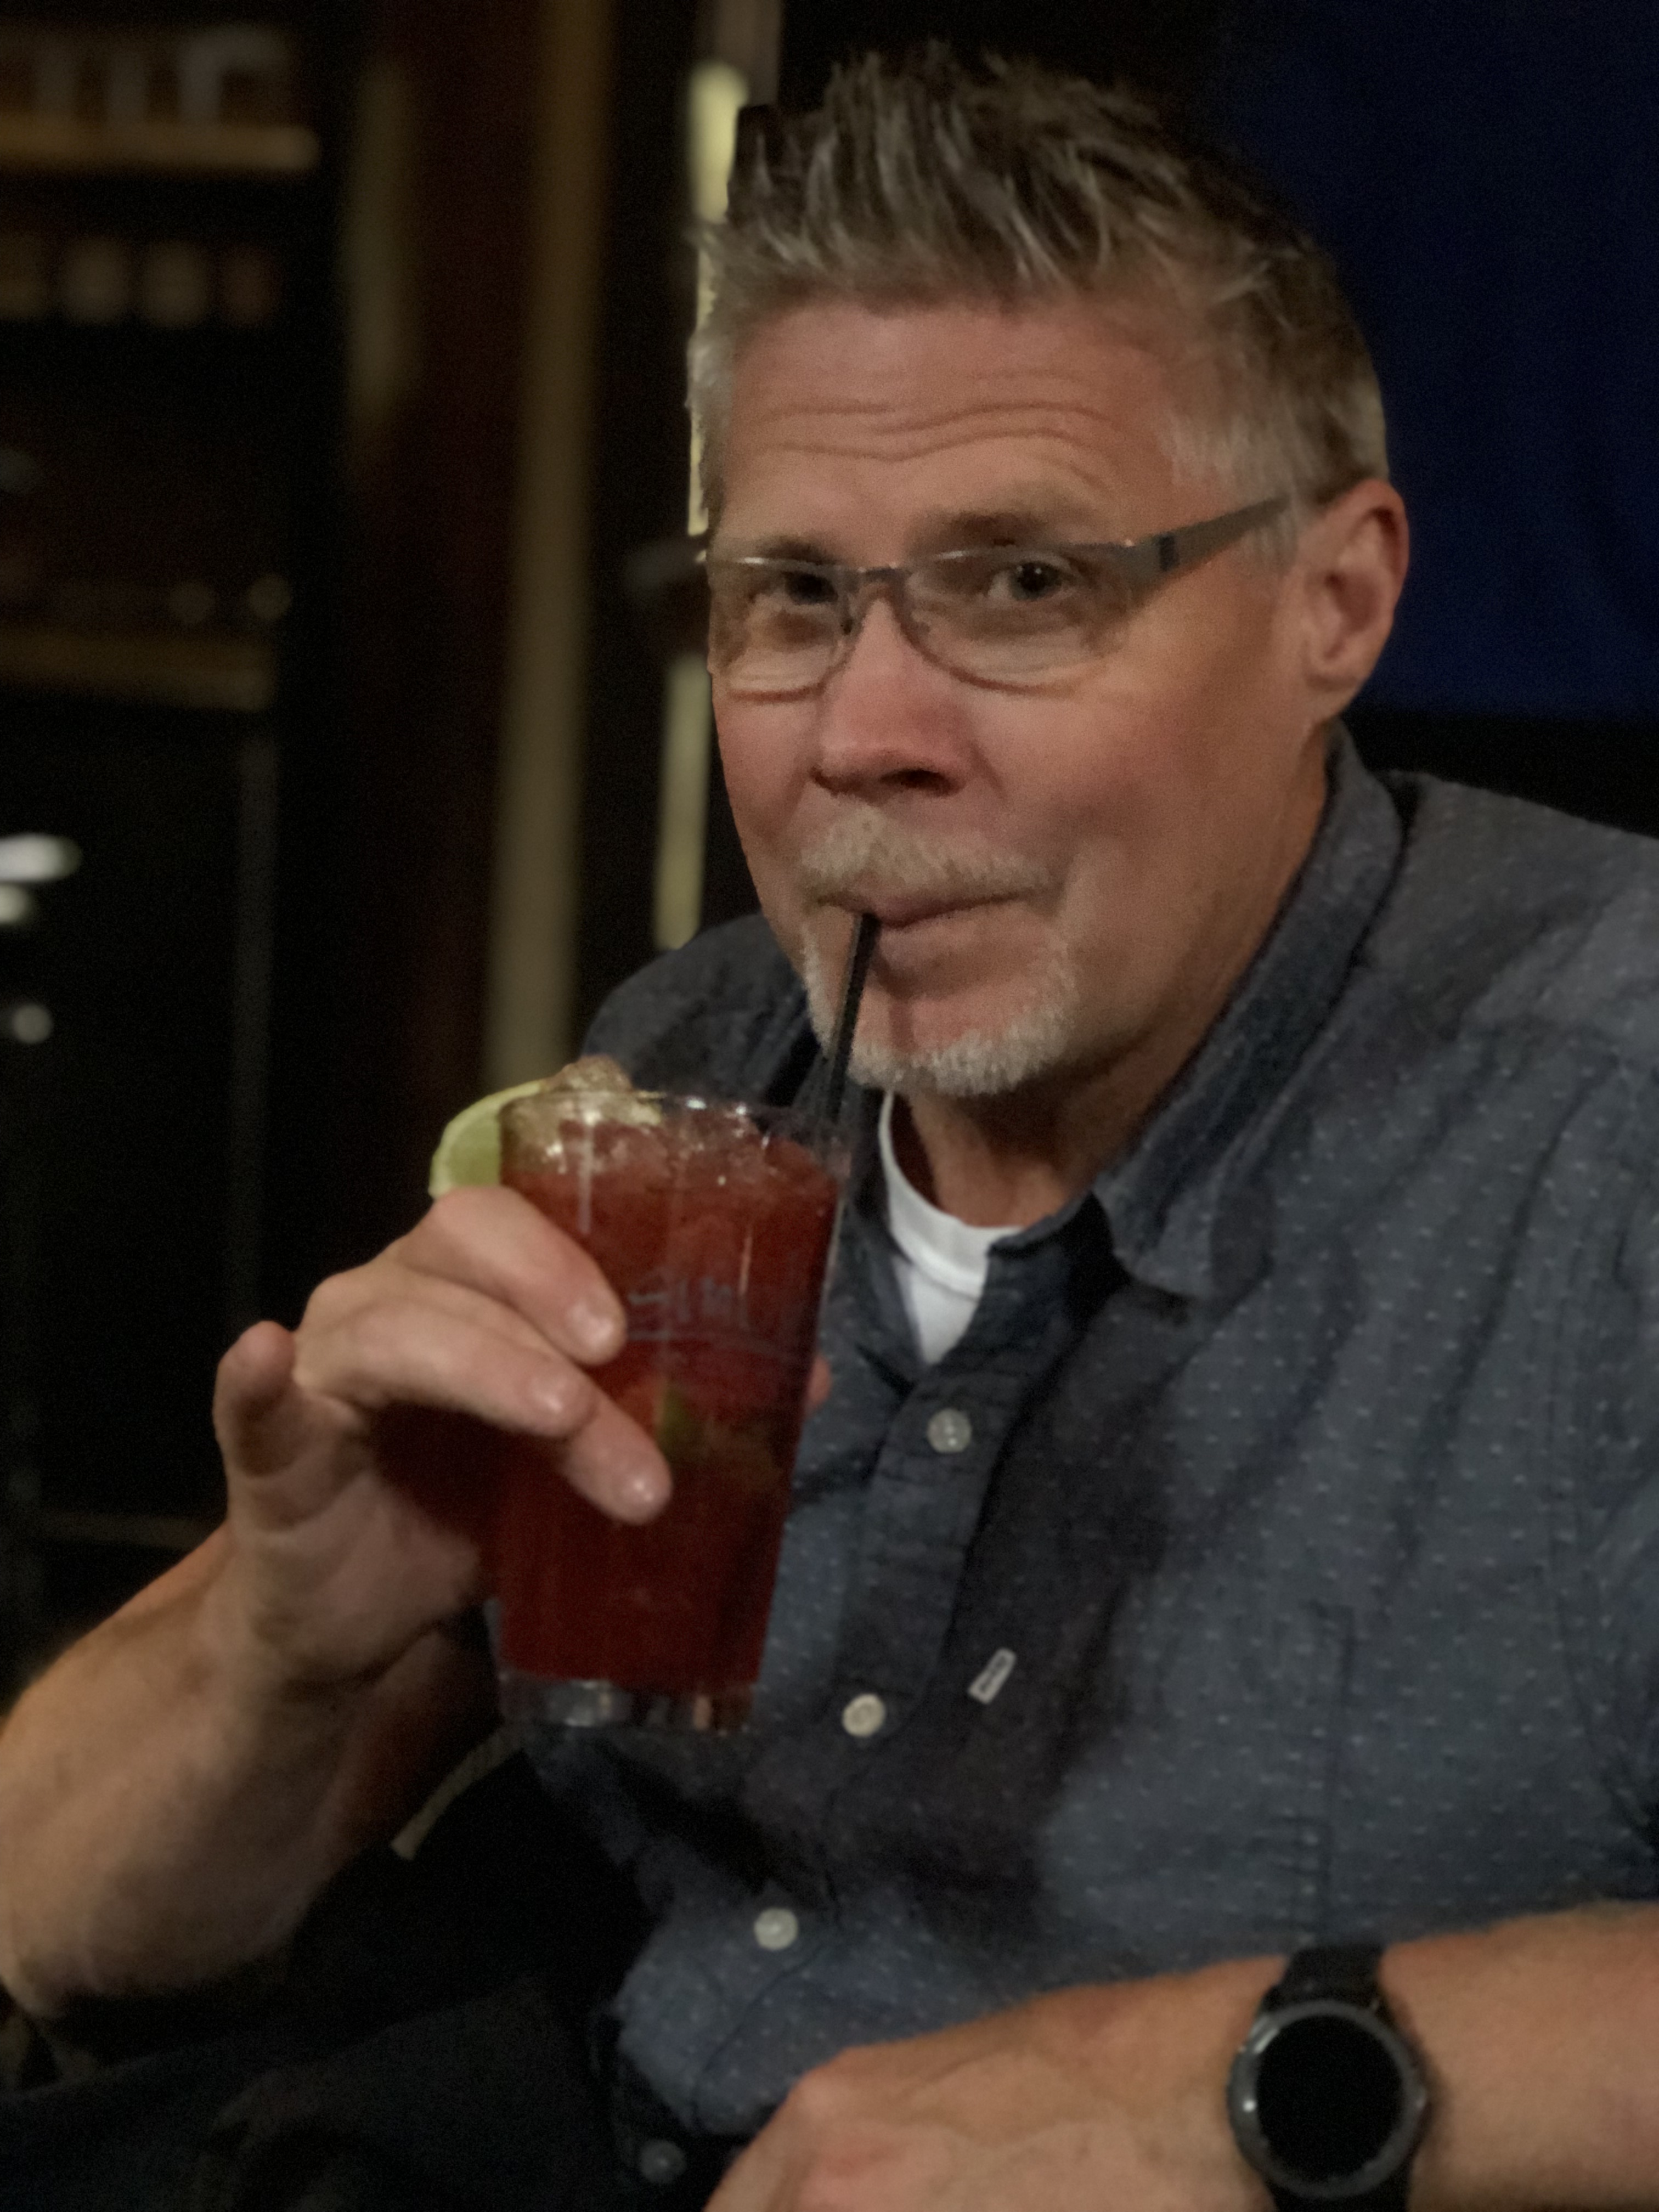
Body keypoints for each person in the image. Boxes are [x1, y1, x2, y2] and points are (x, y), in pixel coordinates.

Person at [4, 45, 1659, 2212]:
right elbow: (51, 1921)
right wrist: (280, 1650)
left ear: (1334, 602)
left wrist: (1212, 2091)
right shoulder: (681, 1076)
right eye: (793, 596)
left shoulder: (1608, 1123)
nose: (863, 736)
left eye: (1026, 585)